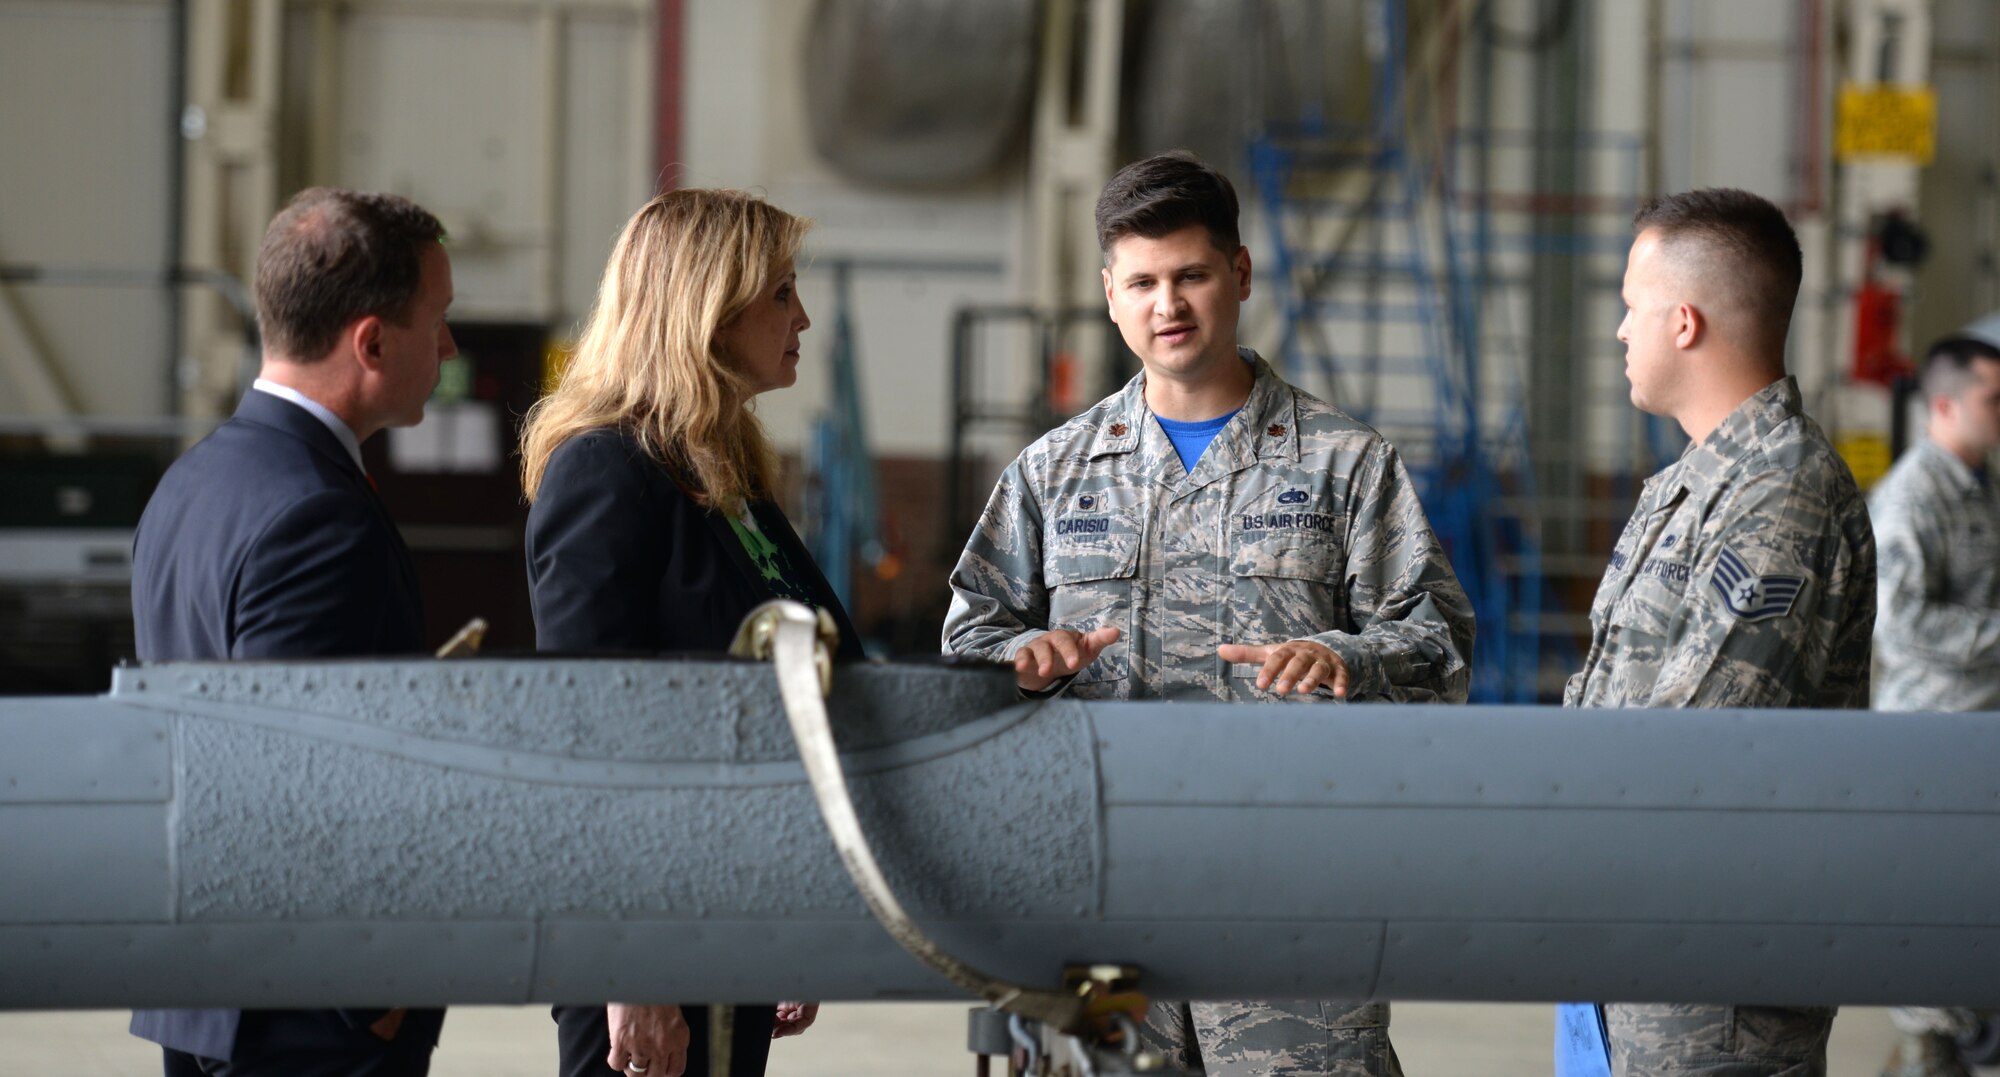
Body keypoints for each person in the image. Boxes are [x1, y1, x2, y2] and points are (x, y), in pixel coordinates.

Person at [942, 150, 1474, 1076]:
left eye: (1190, 275)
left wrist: (1346, 656)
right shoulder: (1052, 472)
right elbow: (966, 643)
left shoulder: (1346, 464)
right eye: (1142, 282)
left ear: (1240, 273)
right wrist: (1026, 656)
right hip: (1096, 887)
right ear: (1110, 294)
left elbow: (1439, 641)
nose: (1168, 304)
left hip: (1292, 893)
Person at [519, 188, 856, 1077]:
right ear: (707, 307)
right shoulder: (606, 469)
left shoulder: (724, 474)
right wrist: (627, 966)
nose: (803, 317)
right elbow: (586, 730)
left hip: (733, 907)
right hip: (649, 935)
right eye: (782, 293)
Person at [128, 187, 458, 1075]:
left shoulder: (192, 485)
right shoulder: (317, 512)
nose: (451, 348)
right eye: (441, 319)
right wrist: (372, 1001)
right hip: (305, 1012)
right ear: (373, 342)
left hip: (205, 990)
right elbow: (300, 779)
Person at [1560, 188, 1876, 1077]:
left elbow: (1698, 739)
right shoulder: (1693, 485)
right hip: (1635, 946)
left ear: (1686, 322)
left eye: (1633, 308)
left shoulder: (1782, 493)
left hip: (1713, 981)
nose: (1622, 331)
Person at [1868, 332, 2000, 1077]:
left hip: (1979, 732)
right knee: (1934, 898)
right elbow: (1903, 619)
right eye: (1995, 397)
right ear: (1946, 404)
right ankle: (1929, 1045)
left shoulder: (1981, 485)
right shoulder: (1914, 494)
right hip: (1933, 738)